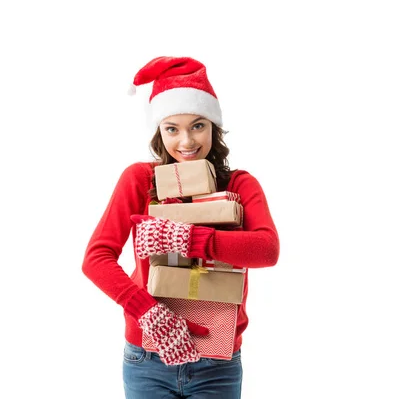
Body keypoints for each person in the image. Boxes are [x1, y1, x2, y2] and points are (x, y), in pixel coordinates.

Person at [82, 56, 280, 399]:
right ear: (159, 131)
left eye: (198, 125)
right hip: (148, 359)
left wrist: (188, 239)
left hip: (218, 363)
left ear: (214, 126)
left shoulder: (240, 184)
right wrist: (146, 309)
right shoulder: (140, 179)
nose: (186, 141)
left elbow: (267, 250)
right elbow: (96, 258)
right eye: (172, 128)